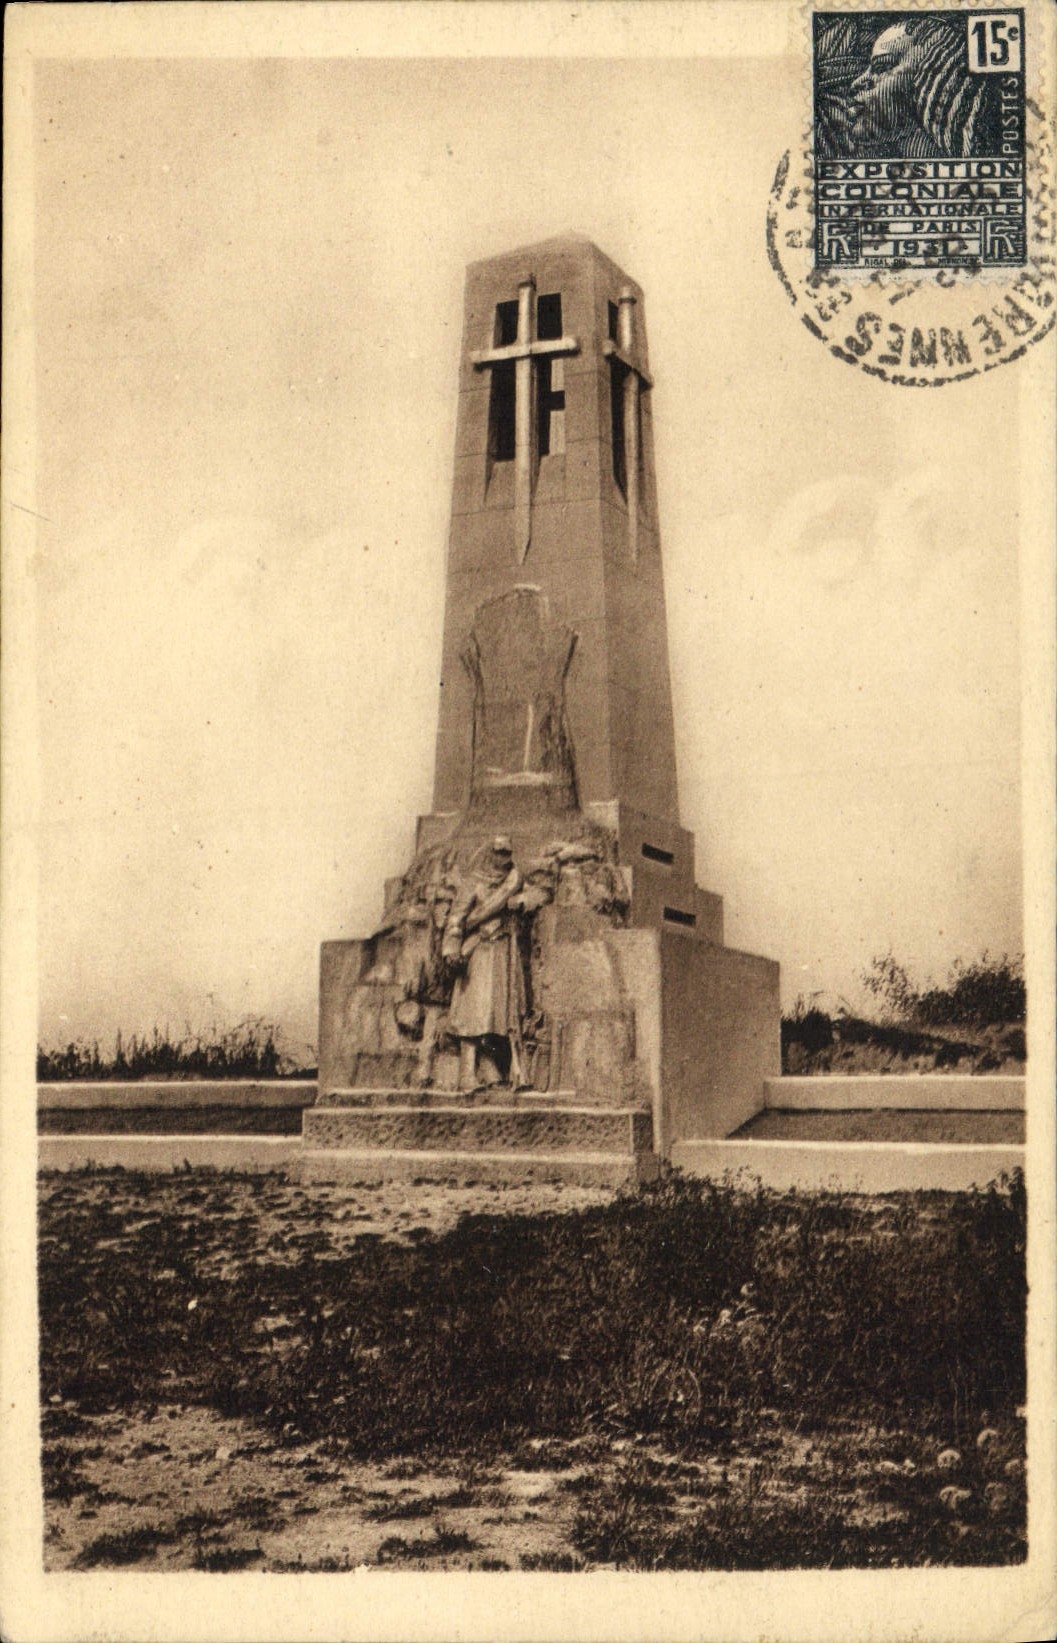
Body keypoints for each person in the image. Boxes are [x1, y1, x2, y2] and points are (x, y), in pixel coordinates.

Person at [441, 837, 528, 1090]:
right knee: (473, 1014)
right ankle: (466, 1074)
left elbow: (535, 896)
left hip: (502, 951)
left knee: (497, 1015)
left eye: (506, 853)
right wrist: (451, 948)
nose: (503, 858)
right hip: (478, 950)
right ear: (489, 854)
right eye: (498, 853)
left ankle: (489, 1069)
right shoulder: (474, 883)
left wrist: (523, 901)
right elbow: (456, 919)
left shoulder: (513, 881)